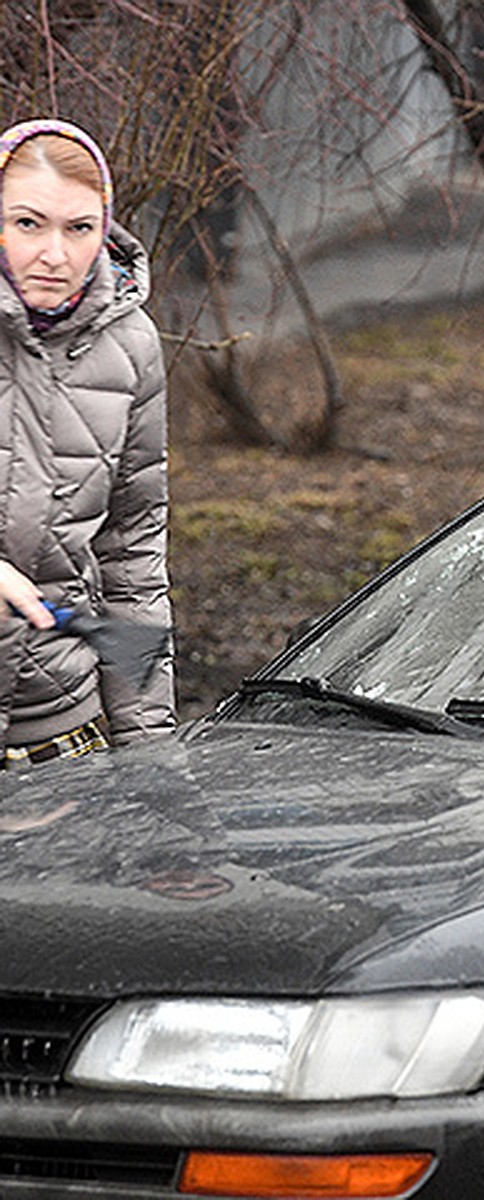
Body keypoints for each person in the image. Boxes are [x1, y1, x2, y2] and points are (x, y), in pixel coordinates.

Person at [0, 118, 173, 767]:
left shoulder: (131, 346)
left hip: (60, 732)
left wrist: (152, 764)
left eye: (79, 229)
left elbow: (133, 557)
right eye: (27, 224)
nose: (56, 254)